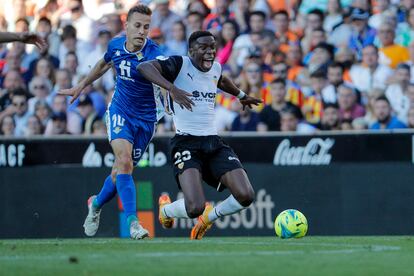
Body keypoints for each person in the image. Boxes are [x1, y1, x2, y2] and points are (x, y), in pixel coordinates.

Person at [58, 5, 193, 240]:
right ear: (127, 26)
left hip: (147, 119)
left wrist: (171, 92)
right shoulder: (115, 45)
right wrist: (81, 85)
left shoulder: (154, 53)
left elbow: (162, 74)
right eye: (138, 26)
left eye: (146, 27)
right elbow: (103, 63)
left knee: (118, 172)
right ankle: (133, 223)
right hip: (120, 110)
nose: (142, 31)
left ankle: (96, 203)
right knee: (124, 161)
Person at [138, 31, 261, 239]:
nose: (210, 52)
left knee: (246, 195)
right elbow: (143, 67)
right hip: (186, 142)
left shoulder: (215, 67)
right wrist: (172, 88)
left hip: (213, 142)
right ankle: (166, 210)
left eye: (213, 47)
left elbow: (220, 80)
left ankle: (209, 218)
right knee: (194, 207)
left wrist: (241, 95)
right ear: (191, 50)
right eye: (204, 48)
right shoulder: (179, 64)